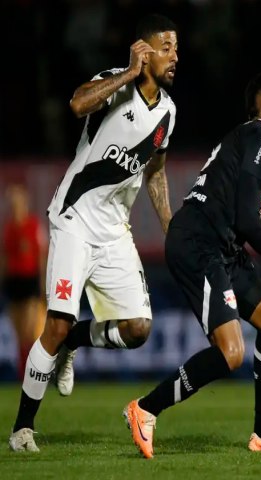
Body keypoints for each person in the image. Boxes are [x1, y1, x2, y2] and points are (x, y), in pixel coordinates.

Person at [123, 71, 261, 459]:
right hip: (200, 245)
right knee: (231, 352)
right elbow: (248, 223)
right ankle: (145, 408)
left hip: (219, 247)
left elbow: (236, 233)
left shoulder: (251, 139)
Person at [9, 14, 179, 453]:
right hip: (73, 221)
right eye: (165, 47)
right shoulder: (115, 83)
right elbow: (77, 104)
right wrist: (126, 72)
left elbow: (155, 173)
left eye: (176, 48)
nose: (174, 56)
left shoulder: (168, 112)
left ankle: (73, 345)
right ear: (143, 49)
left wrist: (168, 225)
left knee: (138, 328)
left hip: (114, 232)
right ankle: (22, 428)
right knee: (56, 322)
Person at [1, 185, 47, 381]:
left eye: (18, 203)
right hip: (14, 282)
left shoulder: (34, 226)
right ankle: (24, 374)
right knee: (19, 334)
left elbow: (41, 257)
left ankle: (34, 372)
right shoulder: (9, 229)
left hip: (30, 281)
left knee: (30, 329)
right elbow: (4, 257)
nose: (15, 207)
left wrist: (43, 283)